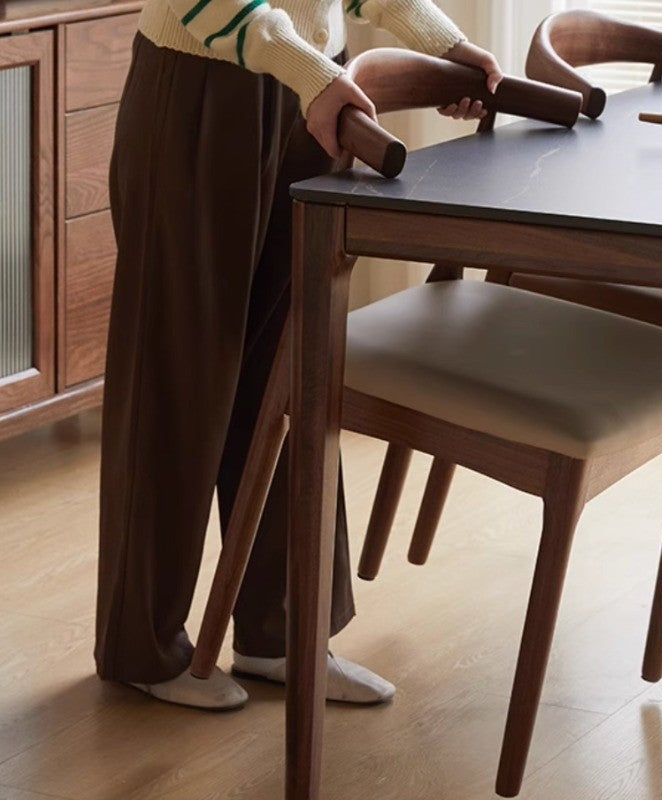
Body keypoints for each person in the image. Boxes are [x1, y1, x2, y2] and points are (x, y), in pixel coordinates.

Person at [94, 0, 502, 711]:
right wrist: (306, 69)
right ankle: (141, 644)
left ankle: (278, 633)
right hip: (203, 89)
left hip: (311, 91)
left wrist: (447, 44)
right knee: (178, 375)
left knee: (287, 370)